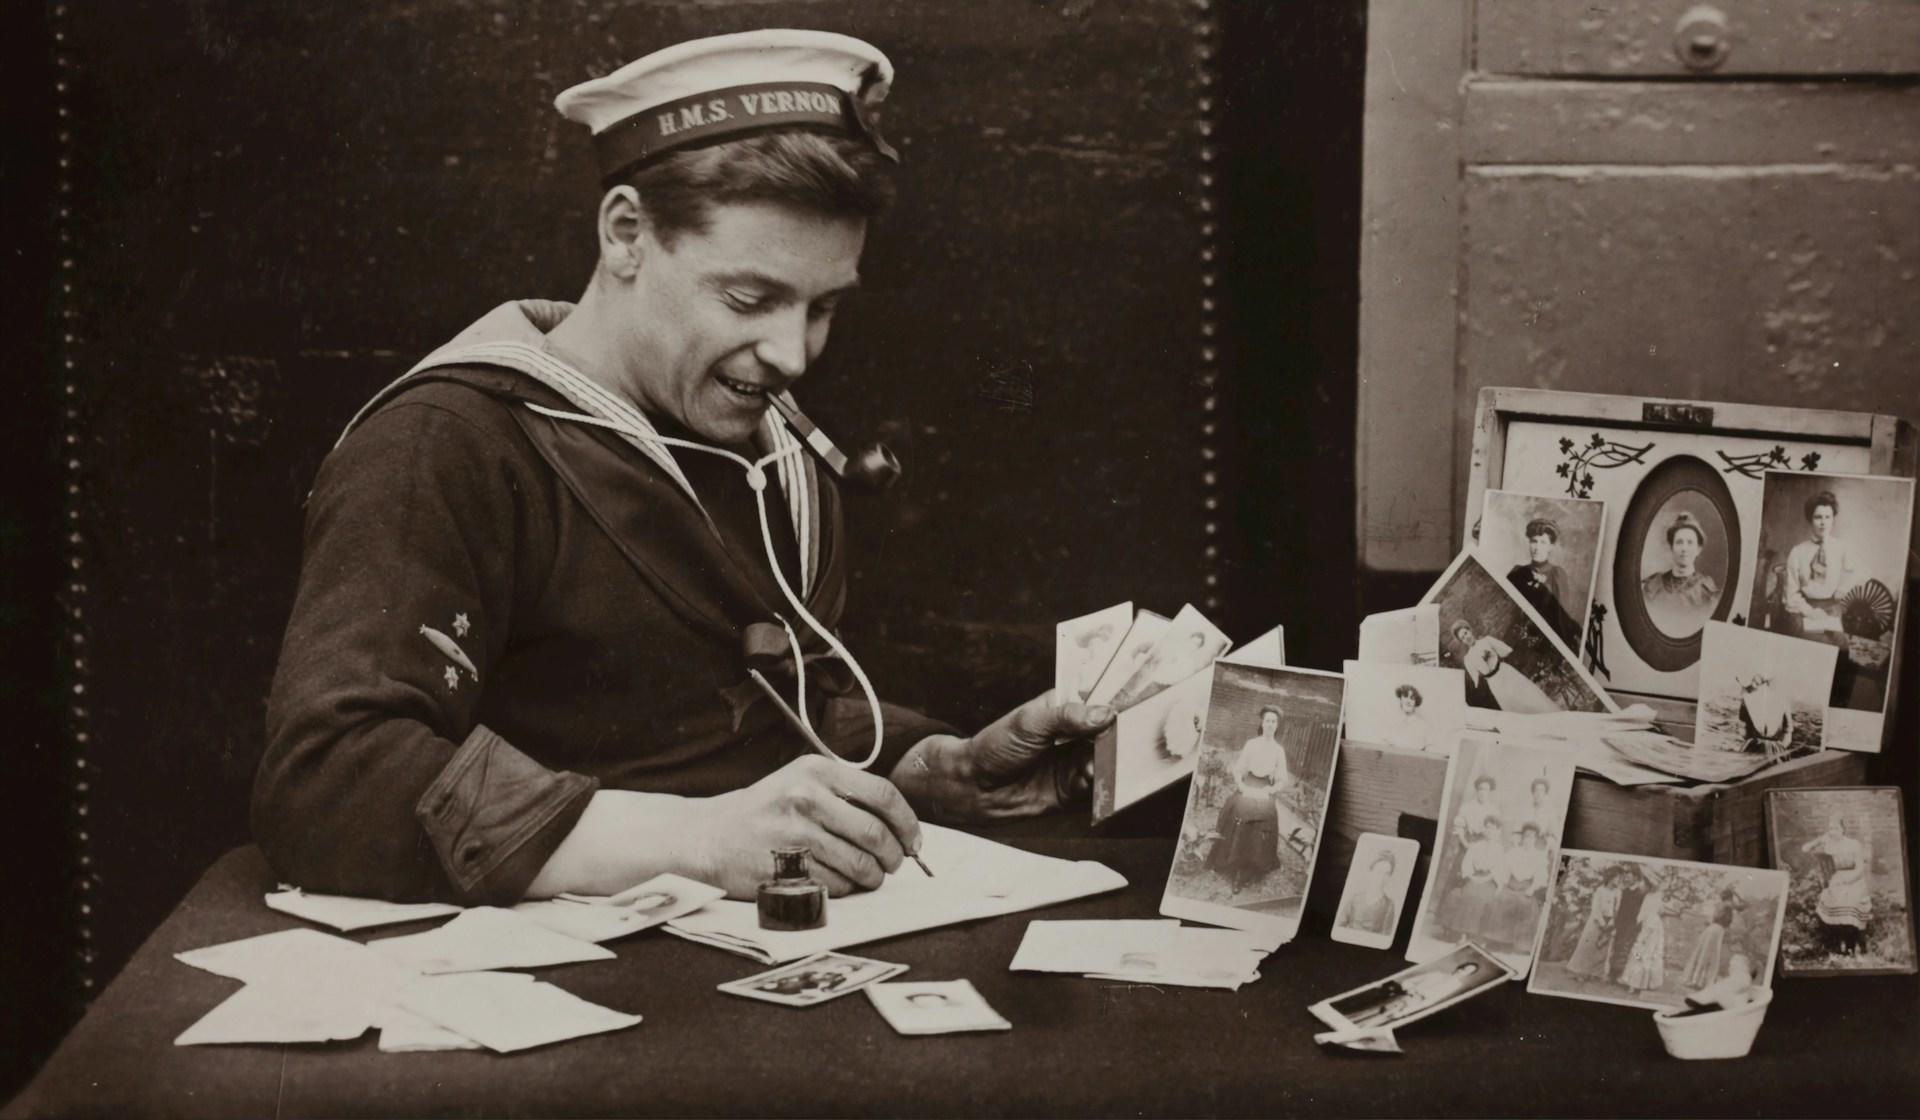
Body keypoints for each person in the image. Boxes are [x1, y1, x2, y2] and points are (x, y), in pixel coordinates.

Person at [251, 31, 1113, 907]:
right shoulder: (446, 443)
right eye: (749, 298)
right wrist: (698, 840)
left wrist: (930, 772)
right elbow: (327, 783)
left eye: (823, 308)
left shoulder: (768, 444)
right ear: (626, 233)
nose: (791, 354)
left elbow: (753, 715)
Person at [1205, 707, 1290, 893]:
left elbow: (1282, 779)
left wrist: (1271, 789)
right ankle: (1232, 863)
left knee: (1263, 819)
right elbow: (1238, 769)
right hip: (1248, 784)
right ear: (1261, 723)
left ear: (1277, 726)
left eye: (1273, 722)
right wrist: (1242, 786)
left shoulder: (1278, 750)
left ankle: (1247, 869)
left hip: (1264, 789)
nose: (1270, 725)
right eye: (1267, 720)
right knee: (1240, 812)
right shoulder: (1251, 744)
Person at [1779, 491, 1860, 635]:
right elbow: (1791, 595)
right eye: (1818, 517)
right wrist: (1809, 611)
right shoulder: (1797, 552)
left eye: (1827, 517)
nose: (1823, 523)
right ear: (1810, 519)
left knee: (1840, 645)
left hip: (1833, 607)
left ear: (1833, 519)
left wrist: (1842, 589)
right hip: (1804, 608)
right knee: (1807, 640)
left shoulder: (1842, 548)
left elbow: (1851, 573)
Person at [1448, 619, 1557, 714]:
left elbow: (1506, 650)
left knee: (1526, 697)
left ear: (1470, 631)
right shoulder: (1468, 658)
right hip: (1495, 682)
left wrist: (1491, 655)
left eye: (1466, 633)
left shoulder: (1487, 641)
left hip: (1505, 673)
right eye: (1462, 638)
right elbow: (1476, 678)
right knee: (1513, 705)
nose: (1466, 638)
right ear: (1462, 641)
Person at [1801, 814, 1874, 957]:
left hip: (1855, 880)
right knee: (1832, 899)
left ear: (1843, 829)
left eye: (1836, 828)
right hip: (1837, 879)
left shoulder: (1854, 844)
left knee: (1850, 903)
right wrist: (1821, 838)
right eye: (1831, 828)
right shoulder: (1829, 844)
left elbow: (1860, 869)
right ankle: (1835, 945)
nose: (1833, 831)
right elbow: (1805, 848)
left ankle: (1850, 946)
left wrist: (1846, 880)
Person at [1640, 512, 1719, 635]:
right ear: (1672, 547)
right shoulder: (1653, 585)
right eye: (1679, 542)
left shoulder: (1706, 591)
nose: (1684, 548)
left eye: (1690, 542)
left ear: (1698, 549)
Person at [1506, 518, 1579, 649]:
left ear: (1550, 547)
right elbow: (1508, 608)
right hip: (1518, 638)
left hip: (1547, 642)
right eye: (1534, 541)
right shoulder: (1517, 573)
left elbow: (1562, 616)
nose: (1537, 547)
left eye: (1543, 542)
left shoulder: (1557, 575)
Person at [1346, 961, 1486, 1029]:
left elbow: (1430, 1002)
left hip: (1412, 1004)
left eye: (1467, 972)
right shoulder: (1437, 973)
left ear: (1468, 975)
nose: (1462, 971)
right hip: (1401, 996)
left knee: (1375, 1022)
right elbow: (1408, 981)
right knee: (1366, 1012)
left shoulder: (1455, 985)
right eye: (1463, 968)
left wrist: (1404, 1013)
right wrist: (1410, 988)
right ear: (1459, 967)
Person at [1437, 811, 1504, 941]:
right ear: (1484, 829)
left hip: (1489, 880)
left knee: (1480, 897)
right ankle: (1461, 934)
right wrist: (1471, 876)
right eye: (1488, 827)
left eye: (1493, 828)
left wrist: (1486, 879)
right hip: (1473, 877)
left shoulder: (1499, 849)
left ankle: (1472, 935)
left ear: (1498, 831)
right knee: (1467, 894)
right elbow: (1467, 863)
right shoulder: (1476, 846)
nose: (1490, 831)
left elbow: (1498, 870)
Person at [1490, 822, 1550, 950]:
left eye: (1532, 837)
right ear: (1522, 838)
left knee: (1525, 905)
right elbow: (1503, 870)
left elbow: (1540, 877)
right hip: (1511, 885)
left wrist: (1532, 888)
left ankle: (1516, 944)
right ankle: (1498, 940)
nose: (1528, 840)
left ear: (1536, 839)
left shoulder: (1539, 856)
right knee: (1503, 900)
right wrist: (1501, 885)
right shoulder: (1514, 852)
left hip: (1526, 888)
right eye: (1526, 836)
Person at [1682, 888, 1746, 989]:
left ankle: (1696, 980)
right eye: (1731, 898)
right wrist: (1736, 894)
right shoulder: (1727, 904)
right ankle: (1700, 982)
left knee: (1704, 953)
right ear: (1730, 897)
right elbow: (1743, 906)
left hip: (1712, 929)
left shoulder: (1720, 904)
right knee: (1712, 955)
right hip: (1717, 930)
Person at [1563, 867, 1620, 979]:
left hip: (1609, 922)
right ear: (1610, 878)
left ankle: (1595, 973)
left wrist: (1611, 921)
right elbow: (1596, 909)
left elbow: (1616, 908)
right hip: (1597, 921)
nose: (1618, 881)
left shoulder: (1617, 892)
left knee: (1602, 949)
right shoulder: (1600, 890)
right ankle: (1581, 972)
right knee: (1588, 947)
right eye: (1616, 878)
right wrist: (1602, 922)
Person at [1618, 881, 1669, 997]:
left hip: (1650, 927)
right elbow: (1655, 911)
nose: (1644, 886)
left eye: (1646, 884)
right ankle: (1637, 982)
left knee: (1642, 953)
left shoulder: (1655, 897)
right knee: (1641, 953)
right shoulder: (1650, 896)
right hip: (1650, 925)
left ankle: (1636, 983)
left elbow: (1656, 912)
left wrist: (1644, 931)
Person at [1337, 849, 1400, 937]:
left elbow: (1385, 936)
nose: (1382, 878)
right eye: (1379, 872)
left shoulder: (1389, 905)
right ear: (1371, 872)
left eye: (1387, 874)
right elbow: (1339, 926)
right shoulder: (1355, 899)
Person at [1382, 684, 1438, 752]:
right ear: (1400, 699)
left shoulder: (1423, 727)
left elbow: (1430, 749)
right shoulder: (1391, 723)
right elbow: (1384, 747)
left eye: (1412, 698)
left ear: (1415, 702)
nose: (1408, 701)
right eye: (1405, 696)